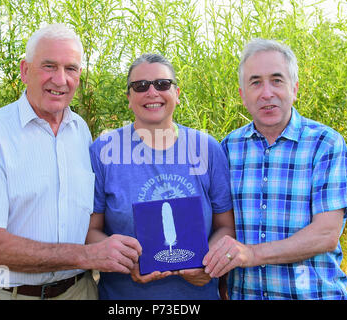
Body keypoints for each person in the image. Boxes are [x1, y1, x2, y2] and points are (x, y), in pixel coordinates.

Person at [0, 23, 141, 300]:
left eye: (70, 68)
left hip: (79, 291)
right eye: (49, 66)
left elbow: (91, 218)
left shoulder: (80, 131)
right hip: (6, 294)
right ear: (25, 71)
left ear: (79, 75)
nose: (60, 79)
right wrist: (87, 255)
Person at [203, 38, 347, 299]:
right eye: (255, 82)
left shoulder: (325, 144)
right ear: (242, 95)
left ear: (294, 88)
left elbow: (326, 233)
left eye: (277, 80)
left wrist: (252, 254)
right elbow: (221, 225)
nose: (267, 93)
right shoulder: (228, 148)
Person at [86, 53, 235, 300]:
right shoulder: (103, 151)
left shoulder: (207, 148)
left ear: (176, 93)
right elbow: (90, 232)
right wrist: (124, 260)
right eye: (140, 86)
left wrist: (209, 265)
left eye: (163, 84)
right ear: (128, 97)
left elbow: (226, 226)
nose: (152, 92)